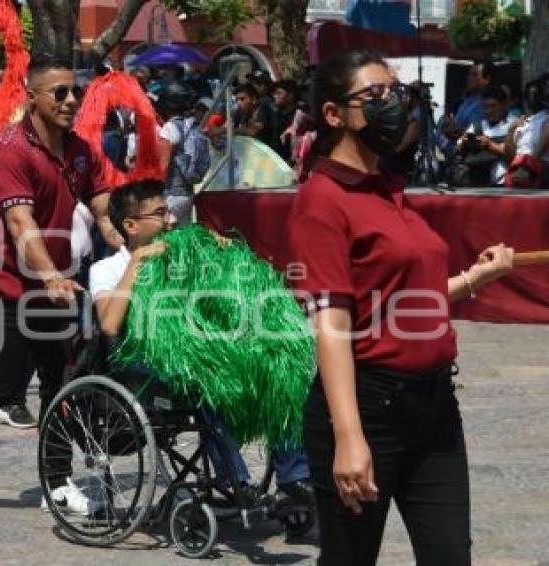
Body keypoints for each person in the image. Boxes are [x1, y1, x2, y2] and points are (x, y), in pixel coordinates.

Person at [288, 49, 514, 564]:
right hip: (368, 408)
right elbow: (332, 322)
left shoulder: (388, 187)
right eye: (374, 96)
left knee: (451, 556)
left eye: (395, 92)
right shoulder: (321, 199)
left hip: (434, 407)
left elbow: (399, 300)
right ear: (333, 114)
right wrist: (349, 437)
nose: (392, 104)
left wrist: (476, 278)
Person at [0, 55, 121, 507]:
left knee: (60, 384)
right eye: (60, 92)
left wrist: (118, 234)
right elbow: (20, 223)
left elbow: (100, 200)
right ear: (31, 96)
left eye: (76, 91)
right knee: (3, 384)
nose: (71, 100)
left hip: (55, 291)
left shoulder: (79, 150)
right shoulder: (12, 150)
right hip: (4, 289)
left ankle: (56, 481)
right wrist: (51, 273)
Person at [89, 179, 264, 506]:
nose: (171, 220)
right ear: (130, 225)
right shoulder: (106, 269)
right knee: (207, 381)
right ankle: (235, 479)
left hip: (192, 356)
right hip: (141, 370)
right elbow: (110, 323)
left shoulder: (180, 259)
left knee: (271, 369)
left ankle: (296, 481)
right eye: (160, 213)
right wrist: (137, 263)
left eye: (169, 211)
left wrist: (218, 253)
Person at [157, 82, 211, 225]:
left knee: (166, 240)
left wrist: (154, 193)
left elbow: (164, 164)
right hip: (187, 194)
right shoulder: (190, 126)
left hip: (171, 195)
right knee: (182, 236)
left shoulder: (169, 128)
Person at [455, 85, 514, 186]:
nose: (488, 111)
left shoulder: (514, 125)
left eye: (492, 106)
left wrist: (490, 146)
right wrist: (463, 143)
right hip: (478, 184)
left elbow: (517, 156)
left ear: (504, 105)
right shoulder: (477, 127)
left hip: (504, 185)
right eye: (485, 107)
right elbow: (459, 148)